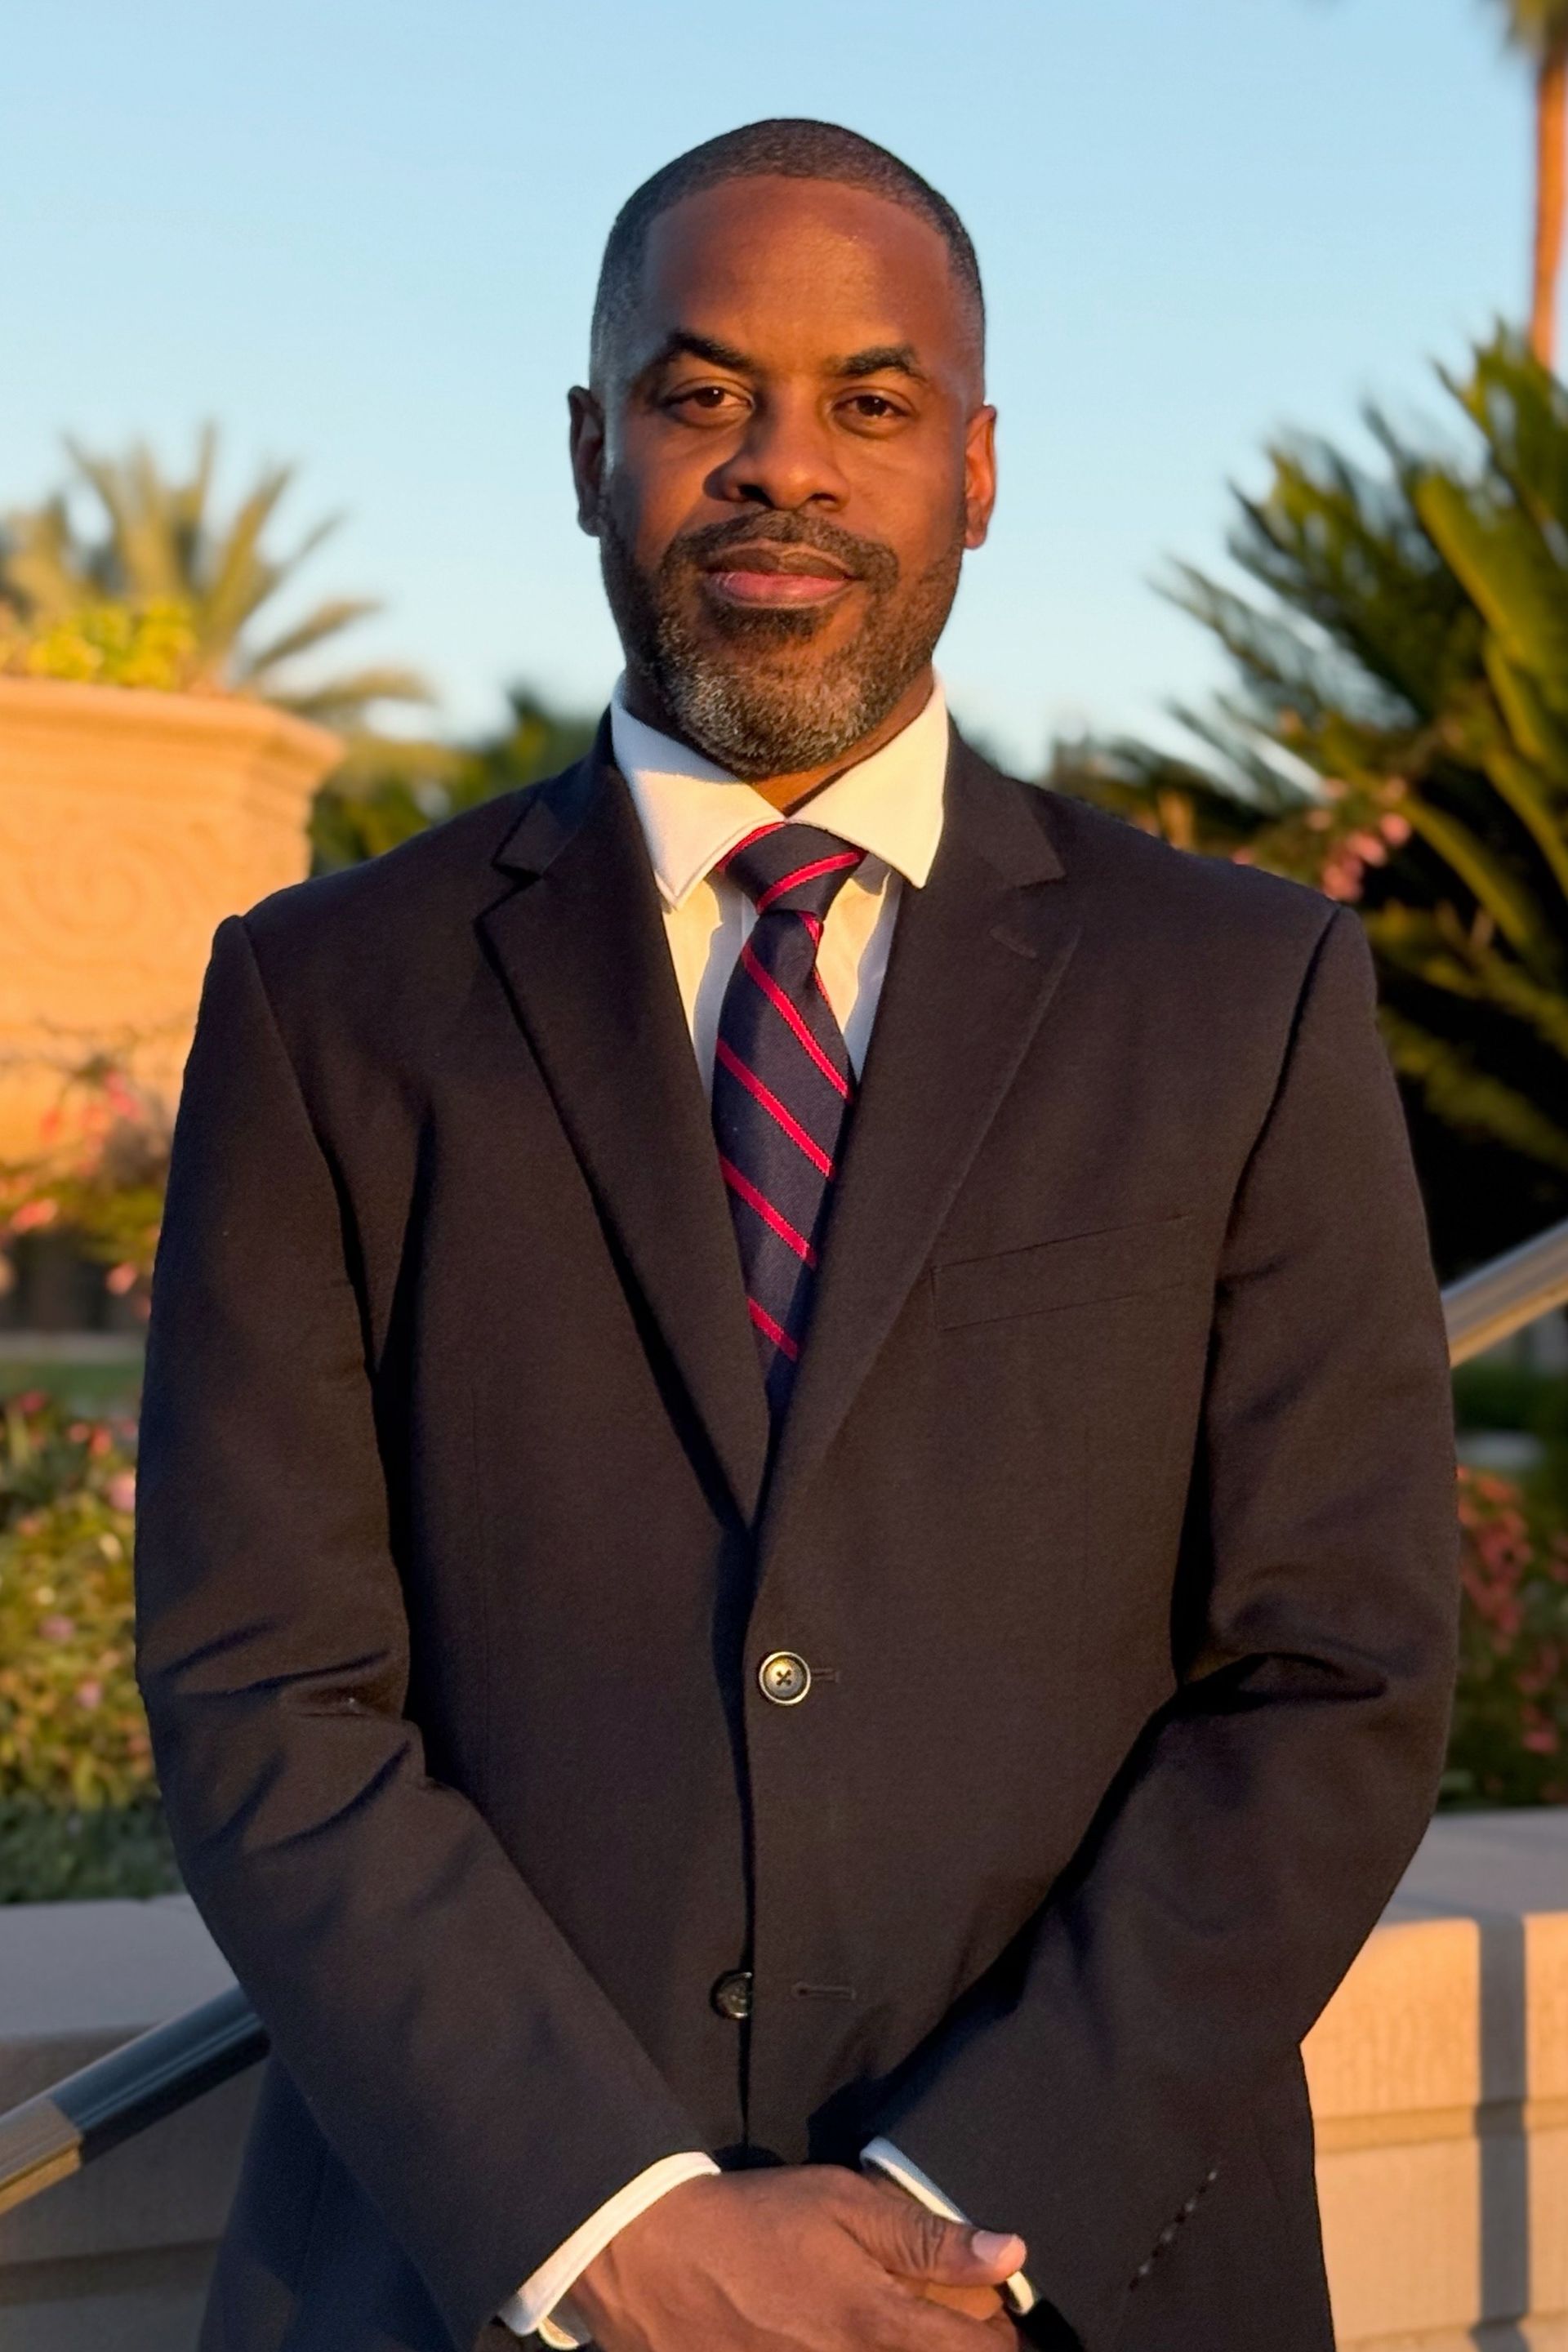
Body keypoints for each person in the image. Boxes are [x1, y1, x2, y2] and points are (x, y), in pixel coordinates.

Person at [135, 118, 1460, 2352]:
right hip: (484, 2283)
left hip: (1071, 2281)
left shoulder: (1240, 995)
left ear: (978, 467)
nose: (783, 466)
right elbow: (265, 1683)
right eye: (698, 392)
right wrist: (614, 2221)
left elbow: (1335, 1678)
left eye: (872, 401)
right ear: (590, 446)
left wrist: (971, 2204)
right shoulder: (323, 997)